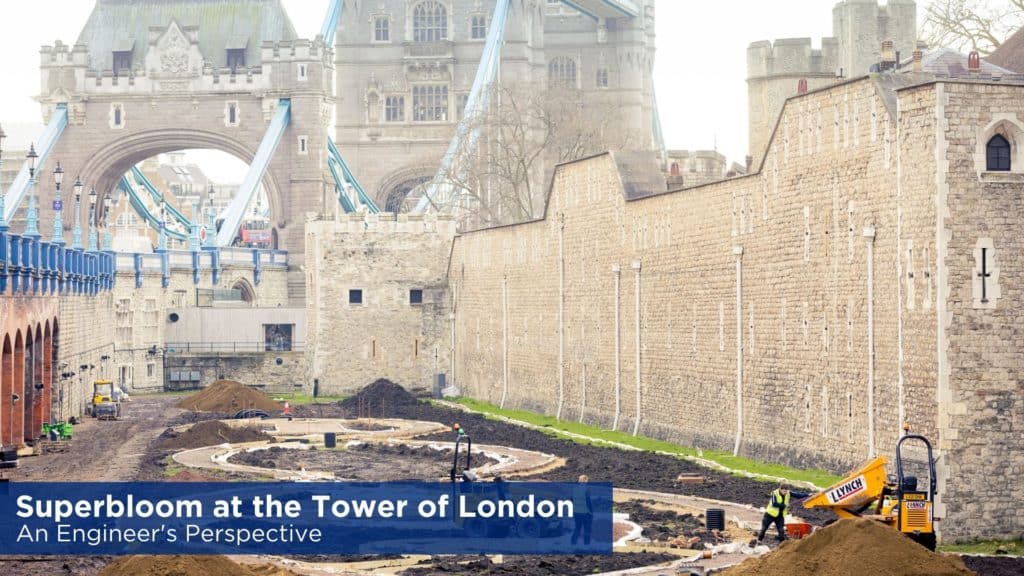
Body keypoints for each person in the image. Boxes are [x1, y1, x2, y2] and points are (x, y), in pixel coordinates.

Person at [571, 474, 593, 546]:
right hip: (585, 513)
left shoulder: (574, 488)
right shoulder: (587, 489)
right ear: (585, 481)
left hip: (576, 512)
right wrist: (591, 512)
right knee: (587, 529)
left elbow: (571, 499)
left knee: (577, 528)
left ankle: (573, 543)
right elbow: (588, 502)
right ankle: (586, 545)